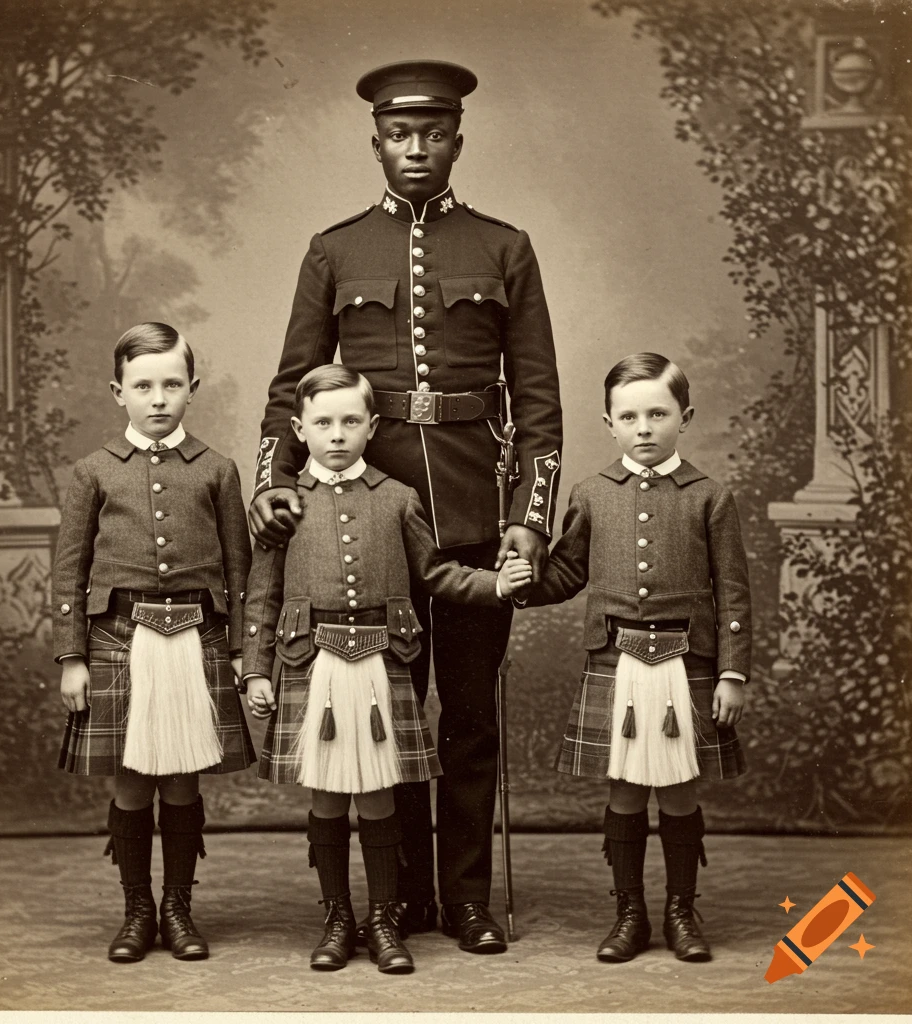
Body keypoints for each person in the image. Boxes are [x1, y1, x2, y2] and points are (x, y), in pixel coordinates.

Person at [247, 59, 563, 953]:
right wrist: (274, 480)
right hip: (366, 521)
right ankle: (404, 899)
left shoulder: (505, 246)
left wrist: (528, 520)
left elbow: (537, 403)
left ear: (457, 142)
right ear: (376, 142)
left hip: (471, 513)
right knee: (390, 716)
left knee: (464, 717)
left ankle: (464, 901)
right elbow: (286, 392)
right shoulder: (334, 248)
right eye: (398, 134)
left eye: (432, 134)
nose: (415, 148)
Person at [242, 365, 530, 973]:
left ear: (373, 427)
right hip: (311, 663)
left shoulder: (399, 499)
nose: (338, 435)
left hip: (379, 663)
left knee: (377, 793)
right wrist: (256, 671)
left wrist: (494, 585)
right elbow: (262, 594)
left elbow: (437, 575)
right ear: (299, 429)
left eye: (351, 421)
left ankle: (383, 920)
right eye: (323, 423)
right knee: (325, 798)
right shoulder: (285, 506)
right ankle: (337, 919)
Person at [513, 352, 750, 963]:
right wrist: (522, 582)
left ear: (684, 416)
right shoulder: (592, 493)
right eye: (629, 416)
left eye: (657, 413)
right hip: (617, 662)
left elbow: (733, 590)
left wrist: (731, 671)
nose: (643, 428)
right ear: (609, 423)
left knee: (678, 791)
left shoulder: (709, 496)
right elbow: (566, 571)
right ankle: (629, 913)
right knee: (623, 791)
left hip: (687, 663)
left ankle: (680, 910)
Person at [53, 322, 255, 963]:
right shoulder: (92, 472)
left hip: (198, 639)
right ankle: (137, 909)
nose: (158, 397)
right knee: (132, 782)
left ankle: (179, 907)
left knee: (184, 782)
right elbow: (69, 570)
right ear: (119, 391)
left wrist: (247, 651)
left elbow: (240, 568)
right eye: (143, 385)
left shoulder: (218, 470)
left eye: (172, 383)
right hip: (117, 640)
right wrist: (72, 656)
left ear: (192, 388)